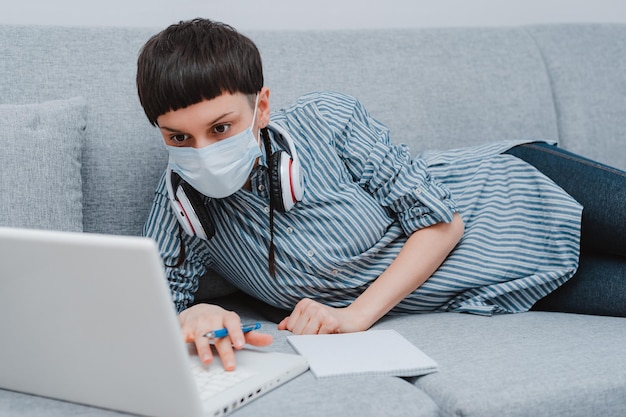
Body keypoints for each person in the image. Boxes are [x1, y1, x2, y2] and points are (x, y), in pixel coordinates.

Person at [136, 18, 626, 369]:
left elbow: (442, 221)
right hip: (498, 281)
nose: (202, 151)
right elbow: (150, 306)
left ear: (261, 107)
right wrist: (193, 312)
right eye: (178, 137)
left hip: (511, 189)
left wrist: (355, 316)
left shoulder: (326, 119)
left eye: (221, 128)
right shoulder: (179, 201)